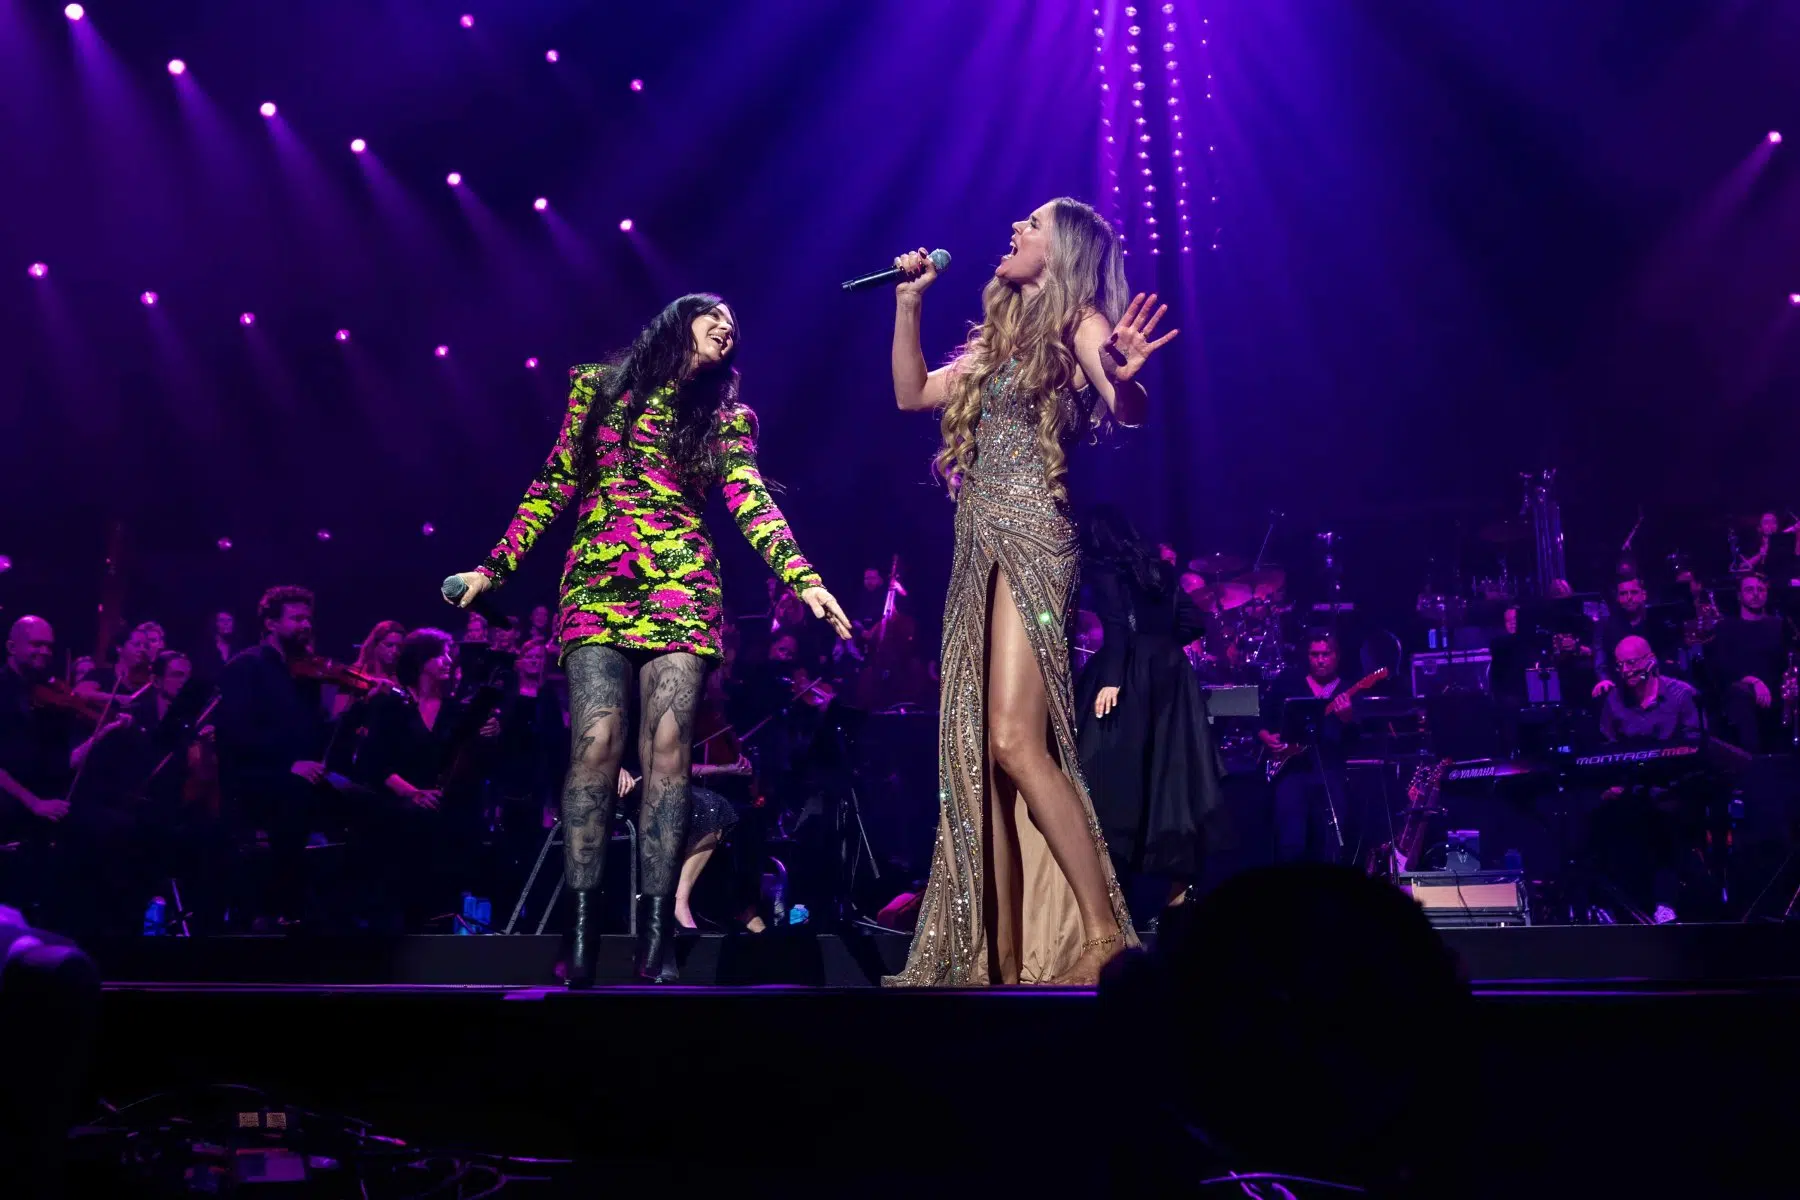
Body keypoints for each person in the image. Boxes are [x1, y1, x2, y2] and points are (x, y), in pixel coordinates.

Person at [445, 293, 849, 985]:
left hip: (683, 588)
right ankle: (580, 934)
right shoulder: (597, 390)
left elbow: (750, 497)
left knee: (666, 753)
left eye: (736, 325)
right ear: (677, 321)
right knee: (597, 742)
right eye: (715, 315)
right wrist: (493, 567)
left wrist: (802, 577)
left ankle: (656, 934)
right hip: (598, 584)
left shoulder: (725, 418)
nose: (729, 327)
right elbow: (554, 482)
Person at [885, 197, 1177, 986]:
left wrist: (1128, 378)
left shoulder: (1079, 322)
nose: (1014, 229)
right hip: (975, 547)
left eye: (1032, 224)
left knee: (1015, 741)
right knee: (980, 754)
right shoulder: (1002, 339)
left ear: (1063, 250)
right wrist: (909, 304)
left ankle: (1104, 929)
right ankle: (1002, 953)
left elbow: (1126, 407)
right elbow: (913, 394)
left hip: (1033, 543)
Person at [1074, 505, 1221, 924]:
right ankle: (1176, 895)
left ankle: (1110, 899)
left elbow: (1117, 627)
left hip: (1129, 674)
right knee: (1169, 775)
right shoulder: (1160, 567)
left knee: (1106, 773)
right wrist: (1162, 646)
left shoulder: (1104, 569)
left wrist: (1114, 678)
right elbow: (1194, 621)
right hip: (1172, 674)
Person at [214, 586, 330, 926]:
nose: (305, 625)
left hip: (298, 770)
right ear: (270, 623)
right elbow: (236, 734)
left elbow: (314, 731)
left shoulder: (304, 672)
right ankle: (282, 910)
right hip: (257, 775)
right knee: (296, 799)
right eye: (296, 619)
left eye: (308, 618)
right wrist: (288, 764)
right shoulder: (245, 666)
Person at [1259, 631, 1361, 865]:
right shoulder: (1289, 682)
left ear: (1337, 656)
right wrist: (1267, 737)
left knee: (1331, 842)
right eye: (1315, 654)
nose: (1320, 660)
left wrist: (1348, 718)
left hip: (1330, 772)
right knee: (1290, 842)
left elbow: (1356, 741)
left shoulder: (1347, 690)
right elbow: (1261, 717)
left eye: (1326, 654)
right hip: (1292, 772)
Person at [1708, 572, 1786, 752]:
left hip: (1777, 690)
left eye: (1761, 589)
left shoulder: (1779, 626)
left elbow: (1786, 662)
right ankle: (1753, 761)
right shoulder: (1726, 627)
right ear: (1739, 595)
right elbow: (1723, 666)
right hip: (1741, 689)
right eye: (1750, 590)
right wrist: (1753, 681)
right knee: (1739, 693)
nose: (1756, 594)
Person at [1592, 574, 1680, 694]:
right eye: (1623, 594)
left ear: (1643, 595)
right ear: (1618, 598)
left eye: (1633, 592)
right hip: (1619, 687)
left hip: (1656, 685)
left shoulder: (1657, 623)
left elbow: (1668, 657)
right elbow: (1601, 660)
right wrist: (1604, 680)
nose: (1629, 598)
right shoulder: (1605, 625)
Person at [330, 620, 406, 718]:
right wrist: (367, 699)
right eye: (389, 645)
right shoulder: (356, 674)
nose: (395, 651)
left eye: (399, 647)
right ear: (375, 645)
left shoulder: (403, 675)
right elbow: (338, 715)